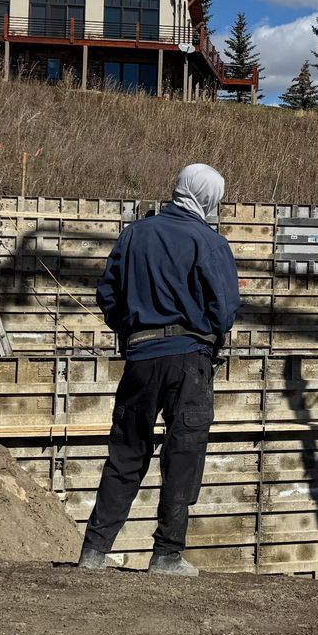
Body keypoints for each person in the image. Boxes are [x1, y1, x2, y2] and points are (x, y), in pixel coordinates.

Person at [78, 164, 240, 577]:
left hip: (140, 358)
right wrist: (205, 333)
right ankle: (166, 555)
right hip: (189, 360)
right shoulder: (209, 242)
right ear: (207, 197)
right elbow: (223, 309)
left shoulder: (134, 234)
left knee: (127, 451)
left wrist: (132, 329)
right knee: (183, 454)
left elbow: (107, 294)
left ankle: (94, 551)